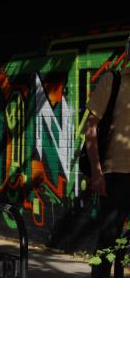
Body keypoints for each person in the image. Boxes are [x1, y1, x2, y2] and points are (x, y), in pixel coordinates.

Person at [85, 41, 130, 277]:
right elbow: (91, 128)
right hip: (115, 176)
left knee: (125, 248)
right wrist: (96, 172)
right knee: (108, 241)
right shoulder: (113, 80)